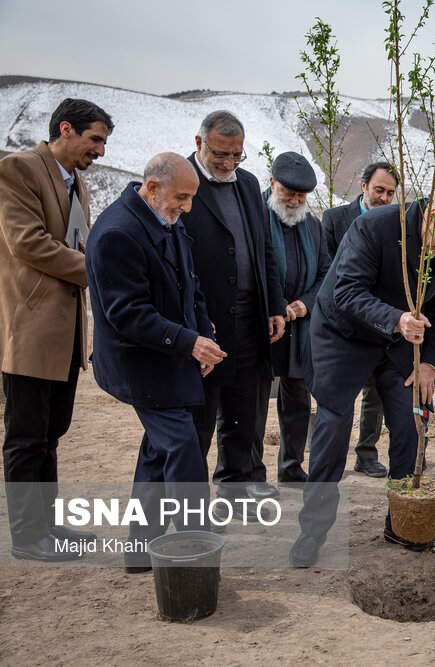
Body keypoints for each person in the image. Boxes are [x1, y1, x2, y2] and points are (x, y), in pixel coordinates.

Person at [290, 190, 435, 567]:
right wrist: (397, 318)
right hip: (343, 334)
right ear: (430, 219)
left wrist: (428, 365)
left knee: (412, 420)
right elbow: (346, 291)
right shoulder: (374, 227)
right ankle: (313, 530)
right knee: (334, 427)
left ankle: (402, 523)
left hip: (398, 342)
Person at [86, 153, 225, 572]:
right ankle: (193, 548)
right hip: (138, 364)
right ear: (152, 187)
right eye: (181, 198)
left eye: (190, 199)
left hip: (170, 355)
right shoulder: (117, 234)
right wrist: (189, 343)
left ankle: (139, 551)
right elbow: (128, 314)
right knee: (182, 446)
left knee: (156, 452)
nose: (186, 208)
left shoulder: (165, 215)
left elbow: (190, 283)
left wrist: (205, 333)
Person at [0, 98, 113, 562]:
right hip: (30, 328)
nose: (101, 151)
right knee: (26, 435)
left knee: (51, 432)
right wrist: (98, 269)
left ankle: (47, 525)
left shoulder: (77, 183)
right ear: (65, 129)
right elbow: (27, 242)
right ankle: (28, 536)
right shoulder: (18, 170)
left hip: (66, 331)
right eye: (95, 140)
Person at [180, 111, 286, 515]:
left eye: (236, 155)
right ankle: (192, 501)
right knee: (200, 413)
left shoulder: (248, 183)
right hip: (203, 321)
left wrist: (273, 305)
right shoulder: (182, 182)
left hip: (249, 317)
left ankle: (239, 484)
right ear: (199, 143)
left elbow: (264, 249)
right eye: (220, 154)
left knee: (247, 406)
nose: (228, 164)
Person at [320, 162, 399, 477]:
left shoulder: (396, 225)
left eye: (390, 193)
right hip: (340, 324)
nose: (383, 197)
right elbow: (326, 269)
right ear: (363, 186)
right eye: (379, 190)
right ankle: (329, 461)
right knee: (339, 395)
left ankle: (366, 454)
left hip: (378, 321)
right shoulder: (335, 219)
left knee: (375, 394)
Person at [265, 152, 332, 487]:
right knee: (251, 405)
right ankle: (249, 475)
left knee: (296, 402)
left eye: (300, 196)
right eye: (286, 193)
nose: (292, 201)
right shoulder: (256, 220)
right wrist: (275, 306)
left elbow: (325, 274)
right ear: (272, 183)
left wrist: (305, 304)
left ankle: (291, 467)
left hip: (299, 329)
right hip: (262, 325)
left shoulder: (313, 227)